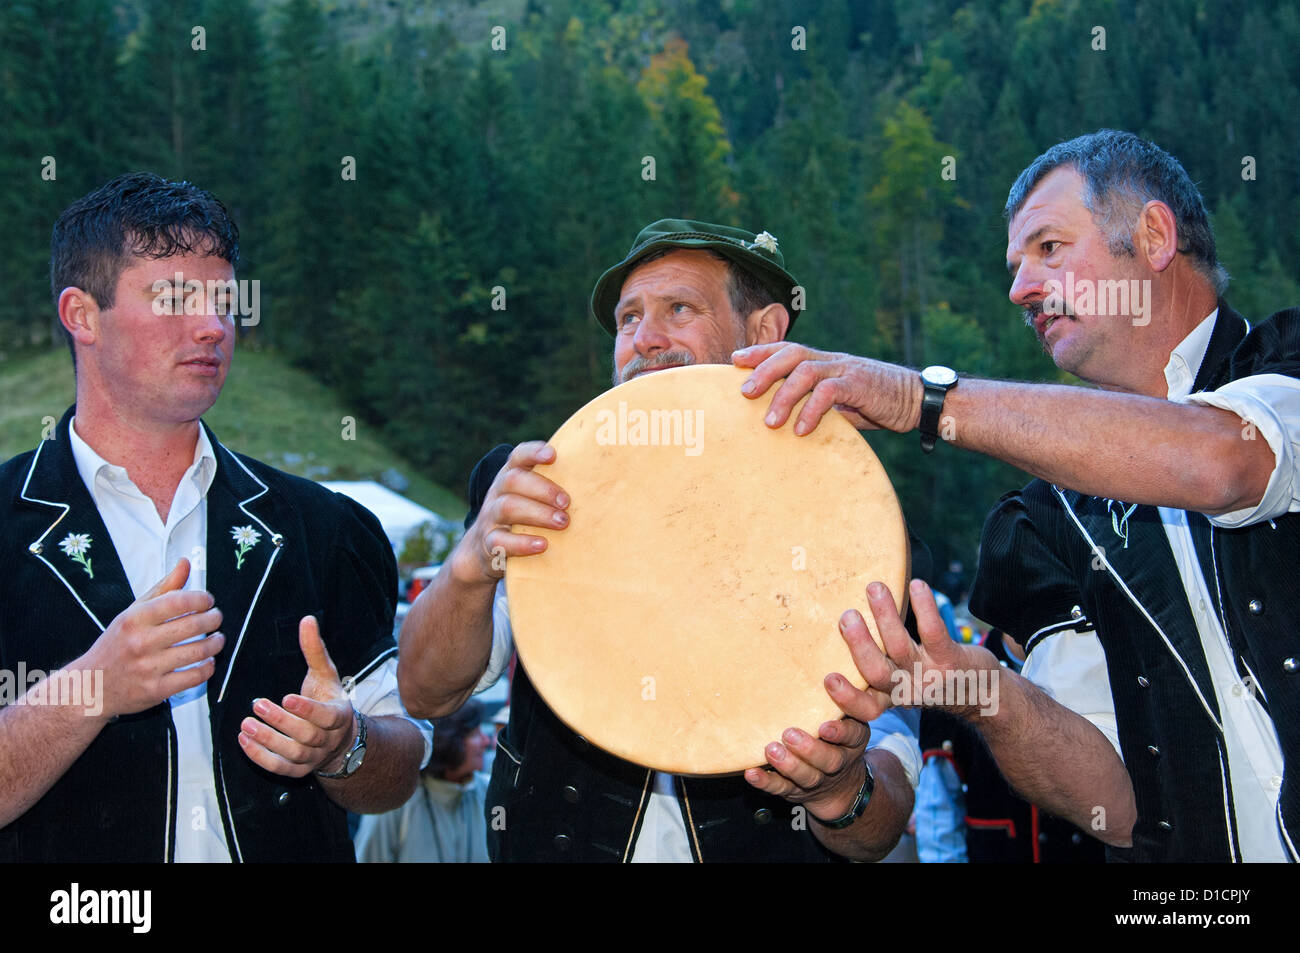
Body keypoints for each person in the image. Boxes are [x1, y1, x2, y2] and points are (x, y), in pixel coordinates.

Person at [734, 129, 1297, 862]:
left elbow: (1223, 461)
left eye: (1049, 249)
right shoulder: (1043, 518)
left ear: (1155, 235)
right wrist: (986, 694)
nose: (1020, 288)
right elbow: (1123, 805)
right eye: (1015, 264)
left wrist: (924, 399)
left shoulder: (1282, 369)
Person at [398, 219, 921, 862]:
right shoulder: (540, 483)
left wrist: (841, 789)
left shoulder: (856, 516)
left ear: (763, 333)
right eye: (627, 319)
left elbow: (881, 826)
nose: (644, 340)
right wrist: (471, 565)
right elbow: (427, 692)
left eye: (679, 309)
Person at [0, 173, 430, 862]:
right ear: (81, 314)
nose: (212, 325)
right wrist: (95, 688)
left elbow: (399, 770)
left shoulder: (324, 527)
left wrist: (345, 743)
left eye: (224, 302)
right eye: (175, 298)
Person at [355, 698, 492, 863]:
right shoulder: (396, 799)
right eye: (476, 734)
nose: (487, 741)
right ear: (450, 741)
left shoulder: (489, 793)